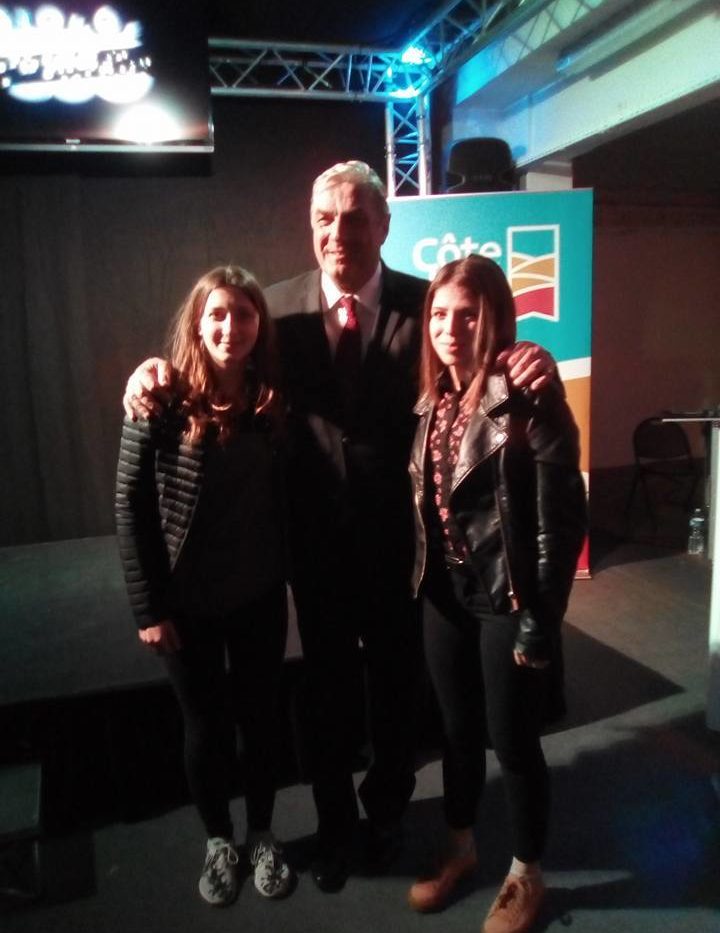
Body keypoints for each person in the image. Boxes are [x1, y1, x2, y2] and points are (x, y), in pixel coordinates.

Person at [122, 161, 557, 893]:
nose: (338, 233)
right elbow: (211, 360)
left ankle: (386, 811)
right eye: (324, 218)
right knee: (324, 694)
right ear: (310, 225)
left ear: (384, 224)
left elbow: (484, 354)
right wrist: (149, 371)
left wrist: (531, 355)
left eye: (355, 217)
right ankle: (333, 825)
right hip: (311, 546)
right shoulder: (274, 310)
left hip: (404, 549)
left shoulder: (427, 303)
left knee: (395, 691)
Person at [406, 255, 586, 933]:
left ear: (496, 319)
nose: (450, 328)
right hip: (444, 592)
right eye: (439, 314)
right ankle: (461, 846)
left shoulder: (528, 395)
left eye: (467, 314)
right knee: (455, 732)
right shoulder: (431, 399)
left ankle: (525, 872)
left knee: (512, 739)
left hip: (508, 598)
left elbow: (560, 521)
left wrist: (542, 617)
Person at [115, 266, 294, 907]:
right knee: (206, 727)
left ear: (258, 325)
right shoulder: (159, 401)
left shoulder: (272, 402)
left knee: (262, 721)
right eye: (217, 313)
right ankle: (219, 840)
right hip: (187, 606)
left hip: (259, 595)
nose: (230, 326)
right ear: (197, 323)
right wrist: (149, 608)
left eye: (243, 314)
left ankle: (263, 834)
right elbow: (130, 506)